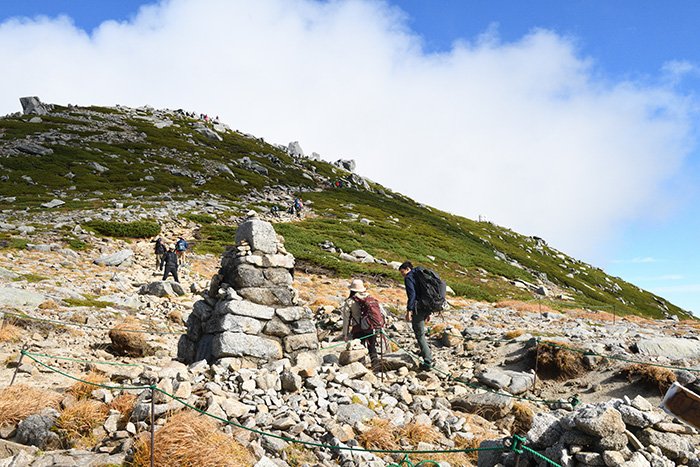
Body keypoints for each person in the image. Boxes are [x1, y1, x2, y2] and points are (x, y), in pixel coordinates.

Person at [399, 261, 433, 371]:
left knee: (419, 335)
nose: (402, 275)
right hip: (425, 307)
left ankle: (427, 361)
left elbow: (412, 295)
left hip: (418, 309)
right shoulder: (419, 276)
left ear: (407, 269)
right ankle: (425, 353)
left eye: (402, 272)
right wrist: (428, 312)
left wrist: (409, 310)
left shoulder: (409, 277)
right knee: (421, 333)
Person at [339, 279, 380, 368]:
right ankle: (376, 366)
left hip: (358, 328)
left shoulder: (349, 301)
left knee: (359, 348)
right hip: (371, 326)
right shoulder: (370, 298)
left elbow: (346, 320)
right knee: (372, 347)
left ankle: (362, 368)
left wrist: (345, 334)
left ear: (351, 289)